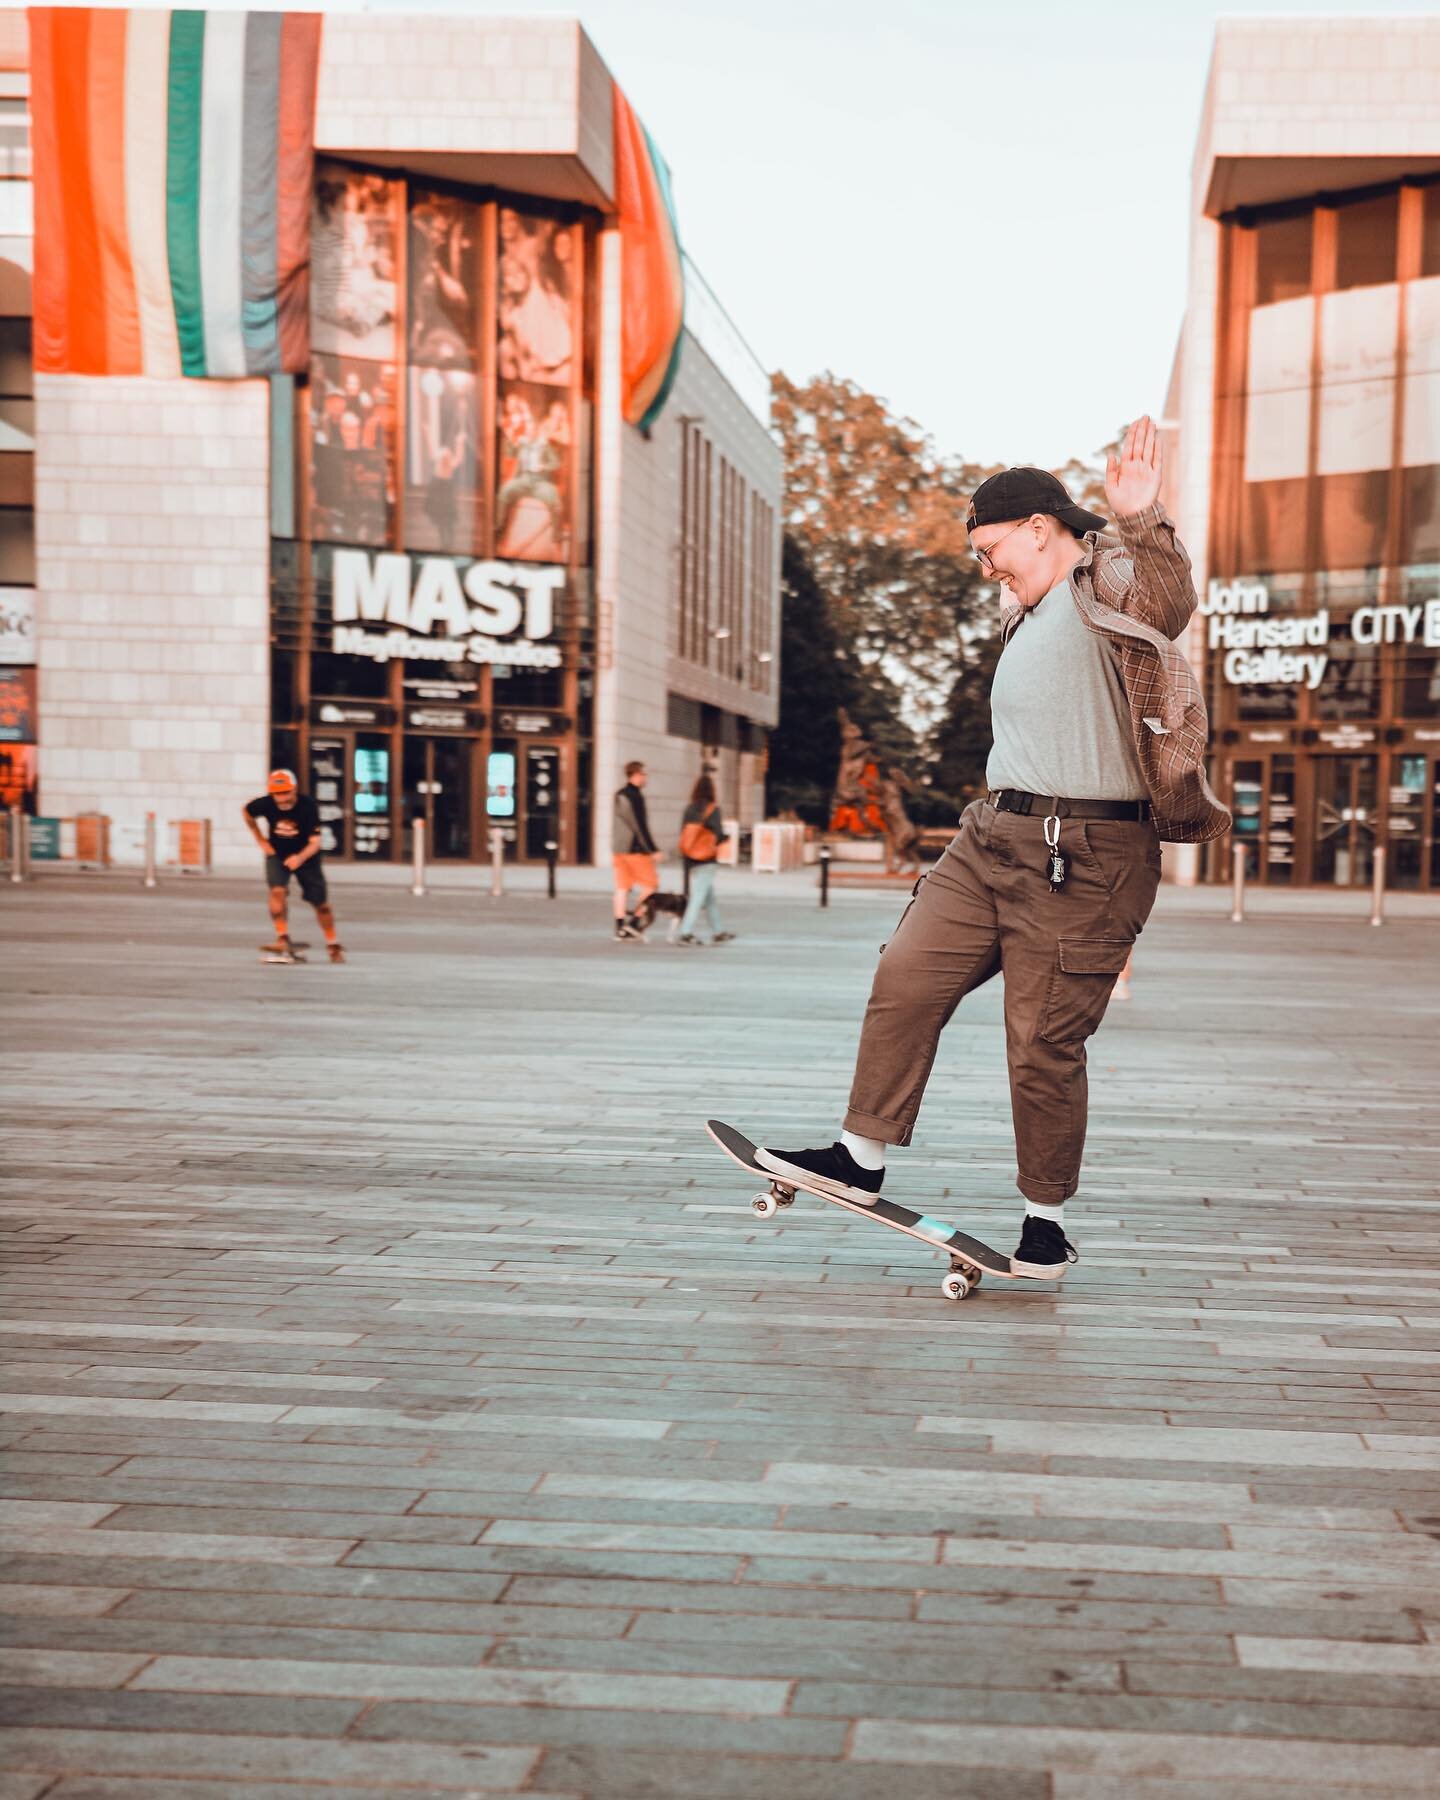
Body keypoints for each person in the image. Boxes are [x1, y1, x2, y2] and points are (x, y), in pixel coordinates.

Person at [752, 418, 1229, 1278]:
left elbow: (1168, 604)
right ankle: (860, 1158)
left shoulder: (1105, 576)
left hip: (1086, 850)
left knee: (1042, 1043)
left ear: (1042, 530)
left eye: (991, 548)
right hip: (991, 836)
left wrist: (1141, 516)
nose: (987, 567)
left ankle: (1043, 1220)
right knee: (905, 975)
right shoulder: (1030, 611)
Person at [242, 770, 346, 964]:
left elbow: (315, 843)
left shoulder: (308, 806)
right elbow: (247, 812)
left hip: (306, 856)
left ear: (294, 790)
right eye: (276, 794)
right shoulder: (265, 803)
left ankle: (333, 943)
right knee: (277, 891)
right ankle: (282, 936)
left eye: (285, 793)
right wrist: (260, 839)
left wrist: (299, 858)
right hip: (278, 854)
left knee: (321, 904)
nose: (281, 799)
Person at [677, 773, 735, 946]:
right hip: (707, 859)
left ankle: (718, 931)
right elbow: (718, 834)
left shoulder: (688, 809)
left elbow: (684, 835)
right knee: (698, 897)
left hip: (691, 859)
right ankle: (685, 933)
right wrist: (725, 838)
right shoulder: (713, 809)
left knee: (709, 897)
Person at [612, 760, 659, 941]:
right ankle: (633, 923)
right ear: (636, 774)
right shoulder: (635, 797)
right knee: (650, 886)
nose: (646, 778)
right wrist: (652, 849)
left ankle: (619, 927)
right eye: (644, 774)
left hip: (619, 850)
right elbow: (639, 825)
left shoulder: (619, 795)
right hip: (636, 850)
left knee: (622, 887)